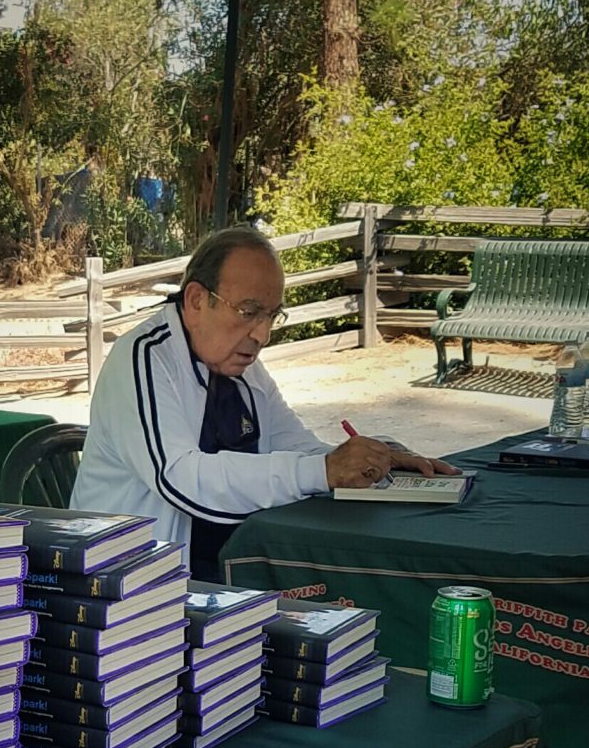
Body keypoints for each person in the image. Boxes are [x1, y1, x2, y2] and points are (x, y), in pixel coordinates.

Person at [70, 227, 458, 580]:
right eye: (249, 312)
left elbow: (296, 448)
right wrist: (324, 470)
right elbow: (182, 479)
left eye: (272, 315)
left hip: (228, 576)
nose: (263, 335)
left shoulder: (242, 369)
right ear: (196, 300)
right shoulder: (144, 357)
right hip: (130, 590)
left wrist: (372, 460)